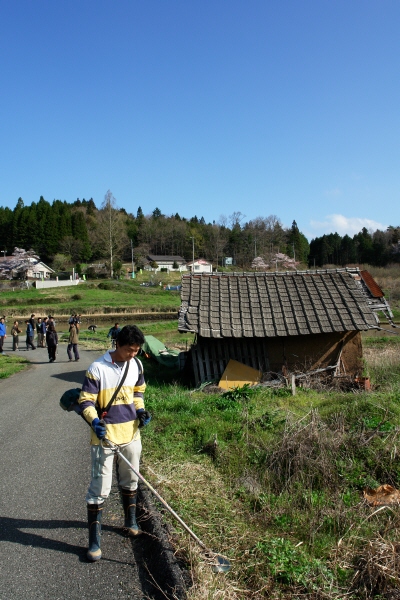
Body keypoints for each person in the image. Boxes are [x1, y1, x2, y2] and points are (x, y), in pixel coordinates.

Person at [78, 325, 151, 562]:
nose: (134, 354)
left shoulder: (137, 365)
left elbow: (138, 393)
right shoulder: (97, 368)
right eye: (130, 350)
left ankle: (130, 521)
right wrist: (94, 421)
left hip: (131, 434)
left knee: (130, 479)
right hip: (105, 437)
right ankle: (94, 541)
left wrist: (141, 412)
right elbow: (86, 401)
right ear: (117, 344)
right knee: (100, 488)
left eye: (137, 350)